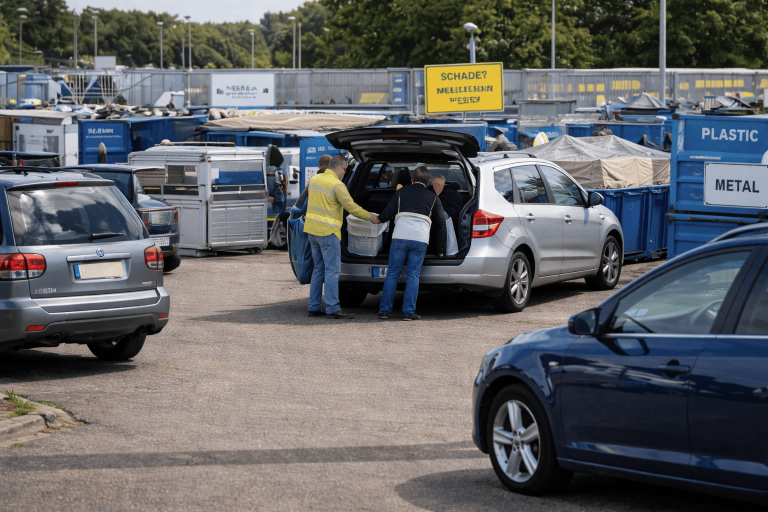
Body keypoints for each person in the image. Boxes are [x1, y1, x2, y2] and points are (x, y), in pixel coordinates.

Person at [304, 155, 378, 319]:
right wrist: (371, 217)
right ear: (338, 168)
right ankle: (332, 308)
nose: (344, 172)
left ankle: (314, 307)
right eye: (344, 169)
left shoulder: (315, 179)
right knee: (332, 271)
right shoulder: (337, 185)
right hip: (328, 233)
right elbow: (351, 208)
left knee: (318, 270)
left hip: (312, 231)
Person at [376, 166, 446, 321]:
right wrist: (440, 249)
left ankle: (384, 311)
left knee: (393, 273)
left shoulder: (400, 192)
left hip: (400, 236)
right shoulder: (433, 197)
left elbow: (386, 213)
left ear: (412, 180)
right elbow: (441, 224)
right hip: (420, 239)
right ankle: (408, 312)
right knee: (413, 274)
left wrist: (378, 219)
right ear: (428, 183)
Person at [269, 148, 288, 214]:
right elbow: (285, 189)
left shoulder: (270, 172)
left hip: (271, 207)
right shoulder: (282, 171)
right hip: (280, 206)